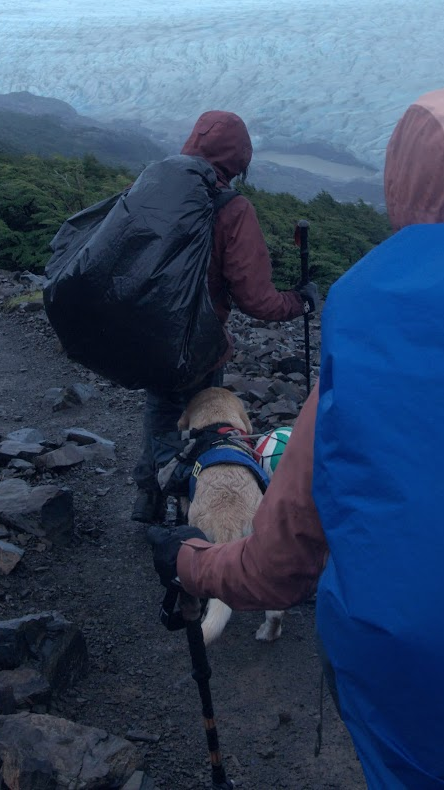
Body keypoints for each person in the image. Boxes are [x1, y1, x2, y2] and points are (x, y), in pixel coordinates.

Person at [149, 86, 444, 789]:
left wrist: (191, 563)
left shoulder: (367, 343)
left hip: (417, 718)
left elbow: (277, 568)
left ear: (402, 186)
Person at [131, 109, 318, 523]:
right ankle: (197, 512)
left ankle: (149, 495)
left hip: (150, 329)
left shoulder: (155, 182)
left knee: (161, 411)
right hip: (199, 341)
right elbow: (257, 300)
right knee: (205, 426)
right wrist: (299, 302)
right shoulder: (232, 208)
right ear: (239, 158)